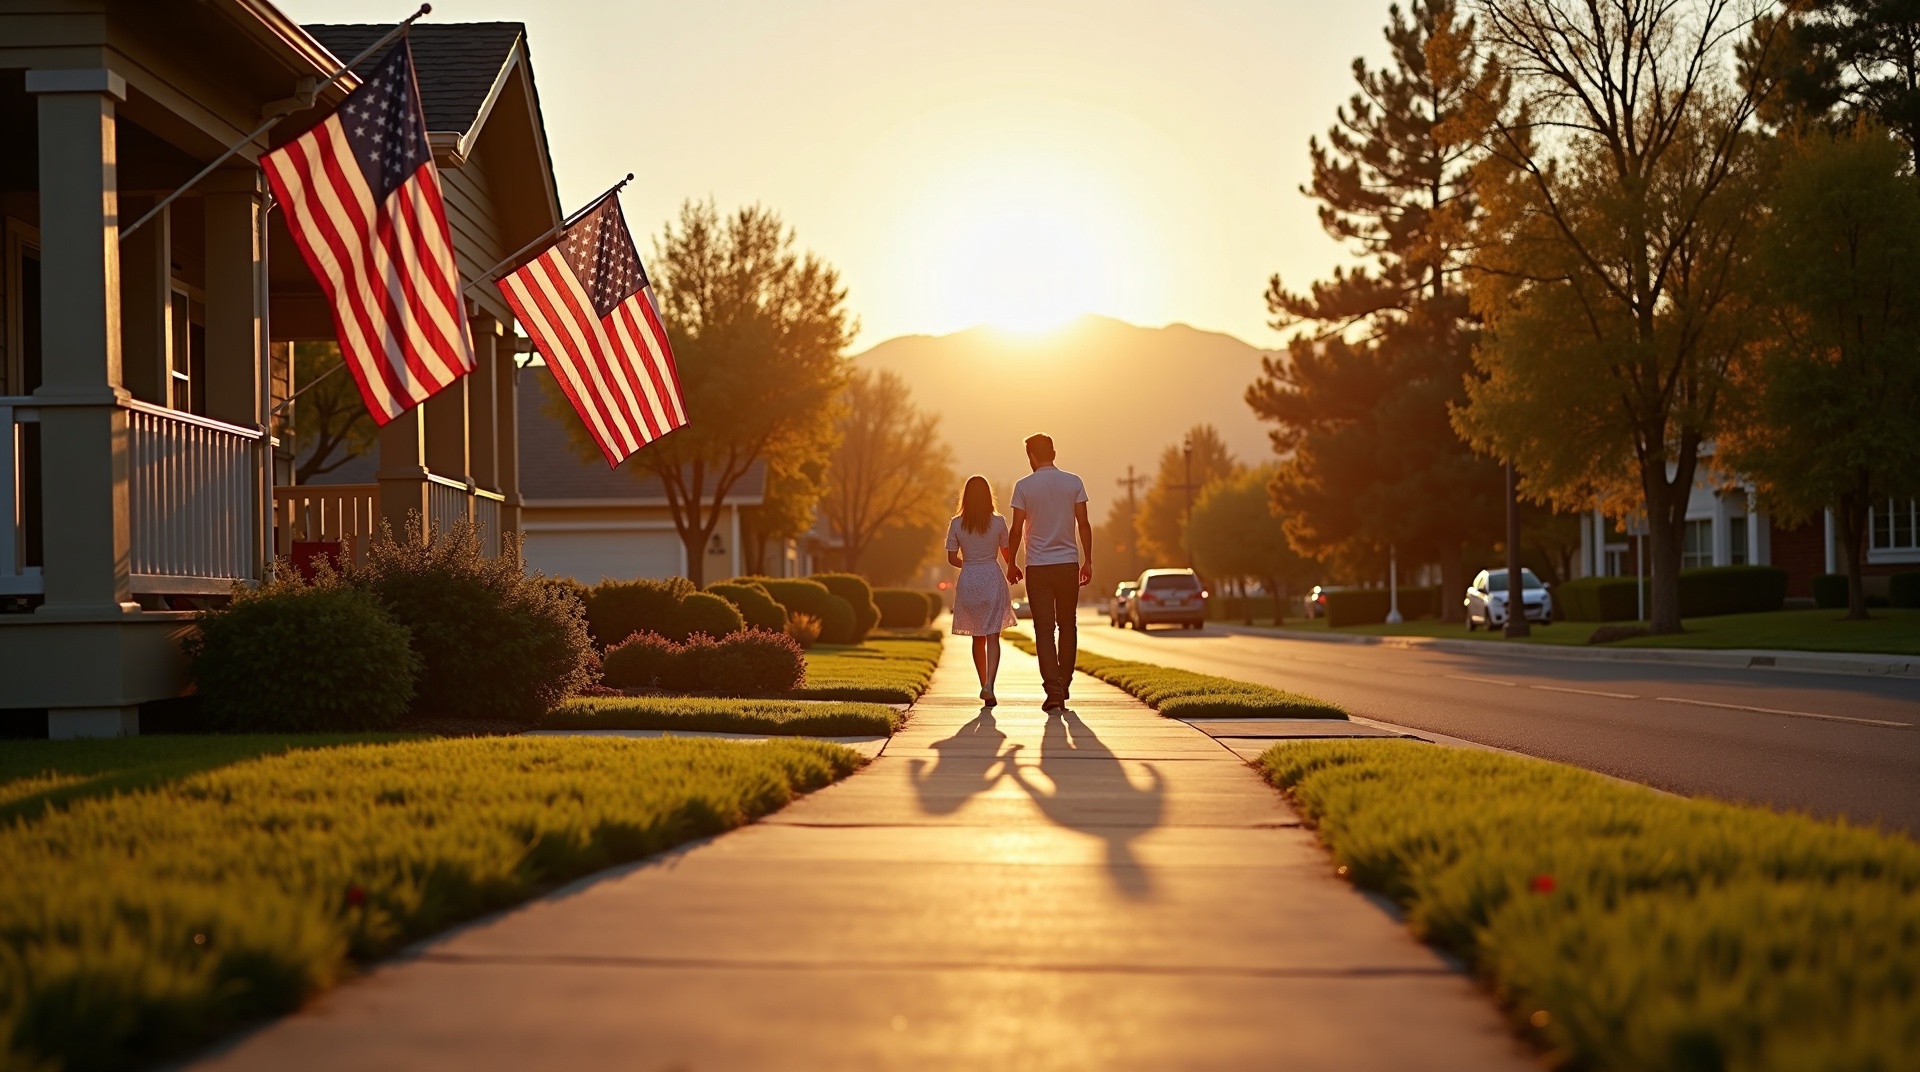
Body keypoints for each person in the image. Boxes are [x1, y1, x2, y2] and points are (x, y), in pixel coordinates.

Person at [1006, 433, 1091, 712]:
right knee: (1068, 625)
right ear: (1053, 453)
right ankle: (1063, 683)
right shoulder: (1074, 482)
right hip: (1067, 564)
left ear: (1031, 456)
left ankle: (1053, 690)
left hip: (1038, 567)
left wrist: (1011, 563)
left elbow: (1016, 529)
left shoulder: (1024, 487)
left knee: (1043, 629)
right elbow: (1083, 524)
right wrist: (1088, 561)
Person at [946, 475, 1018, 705]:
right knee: (993, 635)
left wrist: (969, 564)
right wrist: (1013, 568)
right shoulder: (998, 522)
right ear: (988, 496)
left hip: (969, 579)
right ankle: (990, 686)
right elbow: (1007, 554)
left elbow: (951, 558)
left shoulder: (956, 524)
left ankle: (982, 683)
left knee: (977, 637)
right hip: (992, 578)